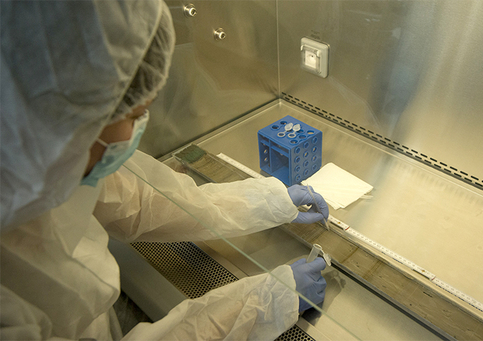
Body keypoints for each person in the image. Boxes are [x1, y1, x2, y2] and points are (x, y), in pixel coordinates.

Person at [0, 1, 329, 340]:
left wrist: (266, 202)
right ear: (66, 116)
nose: (134, 131)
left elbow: (138, 203)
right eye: (131, 115)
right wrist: (261, 304)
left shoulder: (37, 154)